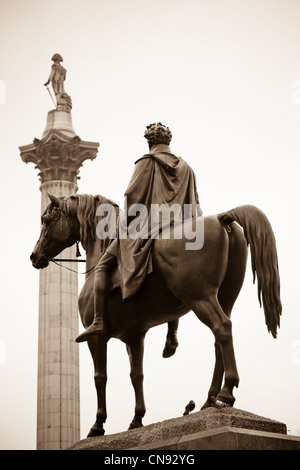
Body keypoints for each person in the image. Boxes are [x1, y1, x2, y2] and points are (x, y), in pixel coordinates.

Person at [76, 123, 201, 354]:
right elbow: (194, 202)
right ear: (168, 140)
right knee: (178, 277)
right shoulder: (187, 168)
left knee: (102, 265)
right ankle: (172, 333)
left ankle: (99, 321)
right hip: (183, 229)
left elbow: (132, 197)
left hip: (149, 228)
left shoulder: (146, 162)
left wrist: (123, 226)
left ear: (149, 141)